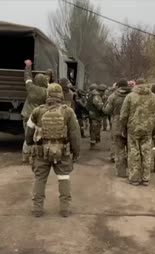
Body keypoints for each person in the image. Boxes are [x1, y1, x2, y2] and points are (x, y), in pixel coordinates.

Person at [25, 83, 81, 217]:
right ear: (61, 95)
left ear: (47, 95)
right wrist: (76, 152)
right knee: (64, 178)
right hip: (62, 151)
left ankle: (37, 209)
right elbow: (75, 134)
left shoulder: (37, 111)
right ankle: (64, 209)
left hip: (41, 152)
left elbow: (28, 133)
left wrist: (30, 143)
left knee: (40, 179)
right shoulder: (68, 112)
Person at [120, 83, 155, 186]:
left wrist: (123, 128)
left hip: (133, 128)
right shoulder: (153, 97)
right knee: (146, 153)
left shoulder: (130, 96)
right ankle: (145, 178)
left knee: (133, 152)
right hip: (147, 129)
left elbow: (124, 114)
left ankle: (134, 178)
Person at [21, 59, 49, 164]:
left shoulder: (30, 87)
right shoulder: (46, 92)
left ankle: (25, 155)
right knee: (37, 137)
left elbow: (27, 77)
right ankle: (34, 158)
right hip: (39, 117)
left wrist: (28, 66)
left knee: (27, 136)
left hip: (27, 115)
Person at [103, 79, 132, 177]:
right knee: (131, 148)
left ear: (118, 86)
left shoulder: (113, 96)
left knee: (119, 148)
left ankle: (121, 172)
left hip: (117, 123)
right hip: (131, 124)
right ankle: (133, 171)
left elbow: (107, 111)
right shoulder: (132, 96)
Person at [86, 83, 104, 149]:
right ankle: (93, 144)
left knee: (93, 128)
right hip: (95, 115)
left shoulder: (91, 95)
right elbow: (99, 106)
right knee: (95, 129)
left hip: (92, 114)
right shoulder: (96, 96)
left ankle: (93, 143)